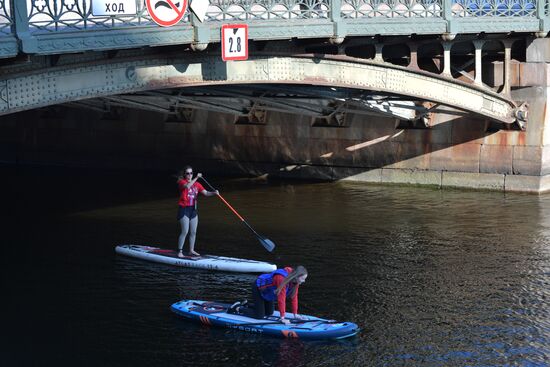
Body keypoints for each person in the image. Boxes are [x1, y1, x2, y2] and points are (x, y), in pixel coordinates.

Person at [234, 266, 308, 324]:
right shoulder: (281, 278)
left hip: (269, 292)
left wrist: (295, 314)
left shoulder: (296, 281)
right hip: (259, 287)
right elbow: (281, 299)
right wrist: (282, 318)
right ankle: (238, 308)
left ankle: (247, 304)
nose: (304, 281)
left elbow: (294, 297)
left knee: (269, 312)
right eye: (302, 279)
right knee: (259, 316)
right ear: (296, 276)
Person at [176, 166, 218, 257]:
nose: (190, 175)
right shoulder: (181, 182)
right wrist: (196, 177)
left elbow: (206, 193)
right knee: (185, 231)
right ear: (184, 175)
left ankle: (191, 250)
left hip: (193, 210)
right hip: (184, 209)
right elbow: (187, 186)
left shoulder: (197, 185)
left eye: (191, 173)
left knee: (193, 232)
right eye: (187, 173)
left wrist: (214, 193)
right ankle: (180, 251)